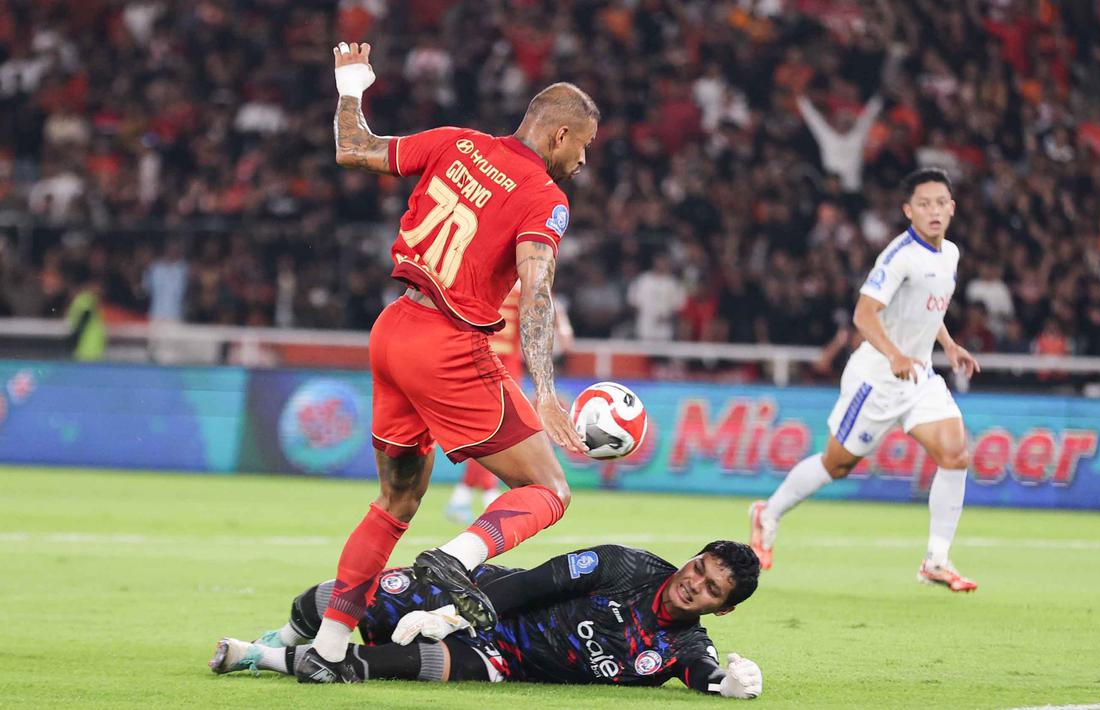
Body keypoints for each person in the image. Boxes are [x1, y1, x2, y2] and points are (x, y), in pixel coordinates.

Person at [304, 41, 594, 682]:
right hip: (448, 345)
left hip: (392, 330)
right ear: (562, 133)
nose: (584, 160)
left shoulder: (455, 142)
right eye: (584, 147)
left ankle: (326, 652)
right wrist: (546, 388)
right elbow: (537, 288)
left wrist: (352, 84)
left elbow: (353, 148)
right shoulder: (544, 196)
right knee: (548, 489)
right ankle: (456, 559)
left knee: (395, 501)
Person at [748, 168, 981, 592]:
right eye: (923, 204)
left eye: (940, 203)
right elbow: (864, 314)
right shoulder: (899, 257)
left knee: (956, 455)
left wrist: (948, 344)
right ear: (908, 210)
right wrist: (894, 354)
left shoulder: (950, 254)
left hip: (919, 375)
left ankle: (936, 560)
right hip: (877, 376)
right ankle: (768, 514)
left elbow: (926, 310)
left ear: (952, 208)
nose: (933, 211)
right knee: (836, 464)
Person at [209, 541, 763, 699]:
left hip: (499, 659)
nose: (694, 584)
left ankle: (258, 657)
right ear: (692, 558)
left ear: (724, 608)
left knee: (385, 665)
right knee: (327, 599)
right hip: (482, 595)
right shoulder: (623, 566)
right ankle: (282, 637)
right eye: (699, 568)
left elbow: (706, 676)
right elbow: (530, 583)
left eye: (711, 588)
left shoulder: (681, 647)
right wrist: (451, 613)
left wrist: (734, 685)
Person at [443, 282, 575, 524]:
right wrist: (564, 328)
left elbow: (548, 301)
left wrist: (562, 326)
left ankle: (468, 495)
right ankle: (483, 494)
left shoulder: (514, 276)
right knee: (490, 430)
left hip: (498, 362)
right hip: (486, 361)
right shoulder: (522, 276)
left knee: (489, 430)